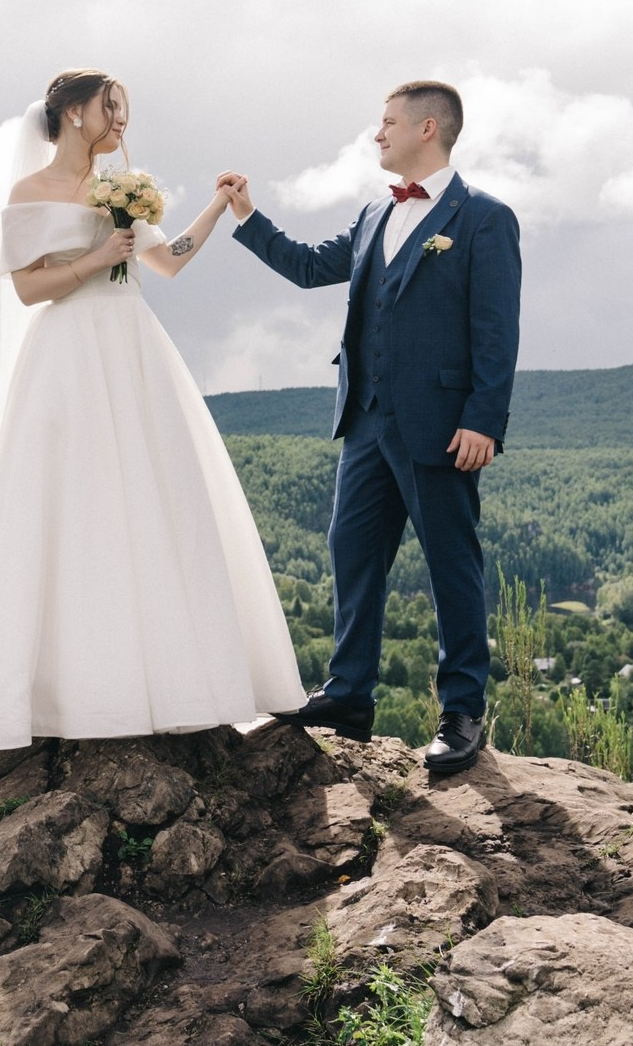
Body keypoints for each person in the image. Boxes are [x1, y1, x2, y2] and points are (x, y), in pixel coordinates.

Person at [0, 69, 307, 756]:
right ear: (75, 113)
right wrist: (97, 257)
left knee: (155, 497)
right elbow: (26, 289)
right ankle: (70, 691)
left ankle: (171, 683)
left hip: (134, 350)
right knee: (75, 503)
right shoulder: (29, 193)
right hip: (67, 354)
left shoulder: (123, 192)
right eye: (113, 107)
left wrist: (217, 210)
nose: (122, 120)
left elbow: (168, 263)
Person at [216, 79, 520, 773]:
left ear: (428, 129)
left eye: (387, 123)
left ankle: (463, 711)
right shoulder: (370, 218)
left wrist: (484, 419)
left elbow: (497, 329)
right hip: (366, 419)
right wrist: (247, 215)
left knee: (451, 565)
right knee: (351, 550)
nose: (377, 134)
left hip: (443, 427)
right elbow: (306, 267)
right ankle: (350, 692)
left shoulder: (483, 217)